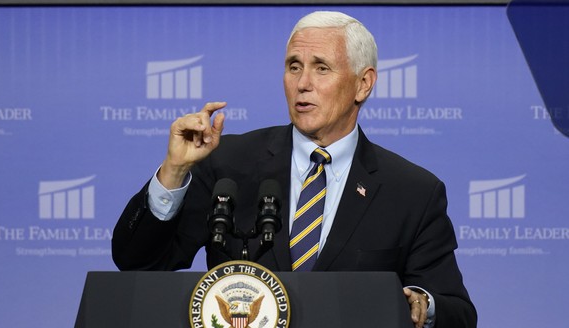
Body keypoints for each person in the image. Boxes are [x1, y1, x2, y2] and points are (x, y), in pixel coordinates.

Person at [112, 11, 477, 328]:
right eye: (293, 66)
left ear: (363, 84)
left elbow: (457, 312)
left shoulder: (412, 191)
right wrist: (174, 172)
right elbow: (138, 264)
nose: (303, 84)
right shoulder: (228, 163)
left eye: (321, 68)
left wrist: (423, 306)